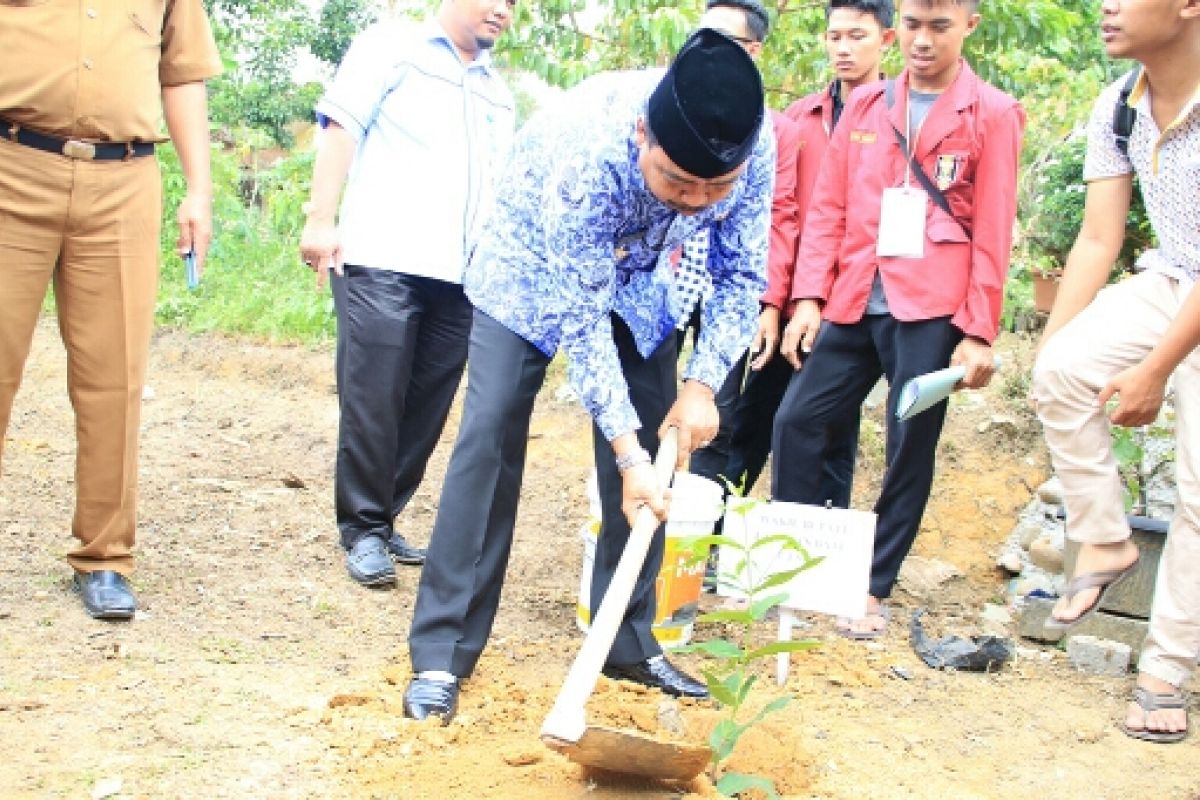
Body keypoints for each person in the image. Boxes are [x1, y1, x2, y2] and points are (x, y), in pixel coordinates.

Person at [402, 28, 773, 722]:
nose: (695, 201)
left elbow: (741, 272)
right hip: (530, 272)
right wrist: (626, 449)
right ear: (641, 136)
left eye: (713, 187)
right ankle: (441, 653)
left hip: (641, 281)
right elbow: (581, 319)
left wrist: (702, 382)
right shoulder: (589, 152)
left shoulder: (757, 141)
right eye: (676, 181)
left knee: (658, 460)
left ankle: (628, 641)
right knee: (489, 437)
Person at [771, 0, 1024, 639]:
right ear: (898, 28)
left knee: (908, 444)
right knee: (796, 419)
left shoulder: (992, 112)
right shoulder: (866, 104)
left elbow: (993, 228)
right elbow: (828, 207)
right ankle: (794, 572)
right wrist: (808, 297)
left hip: (931, 307)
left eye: (940, 26)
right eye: (913, 24)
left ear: (968, 25)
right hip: (856, 294)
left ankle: (872, 586)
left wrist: (978, 329)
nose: (922, 39)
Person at [0, 3, 221, 620]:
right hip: (9, 164)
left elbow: (181, 75)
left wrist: (198, 190)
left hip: (123, 180)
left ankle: (104, 557)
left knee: (114, 378)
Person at [298, 1, 517, 588]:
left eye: (514, 3)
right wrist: (321, 219)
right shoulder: (391, 47)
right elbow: (341, 128)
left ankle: (385, 515)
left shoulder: (498, 91)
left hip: (461, 274)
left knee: (427, 403)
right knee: (374, 399)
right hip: (382, 257)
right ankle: (363, 529)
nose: (503, 11)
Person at [1032, 0, 1200, 744]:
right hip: (1169, 281)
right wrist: (1052, 358)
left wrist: (1157, 370)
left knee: (1199, 494)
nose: (1106, 6)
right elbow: (1099, 240)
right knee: (1061, 370)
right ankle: (1104, 539)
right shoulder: (1118, 105)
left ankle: (1167, 668)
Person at [714, 0, 898, 503]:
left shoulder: (899, 116)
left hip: (850, 303)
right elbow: (780, 214)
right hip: (788, 295)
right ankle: (719, 529)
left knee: (832, 430)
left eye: (857, 36)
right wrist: (776, 302)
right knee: (751, 415)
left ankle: (822, 539)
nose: (843, 48)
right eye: (834, 36)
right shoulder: (799, 120)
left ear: (886, 39)